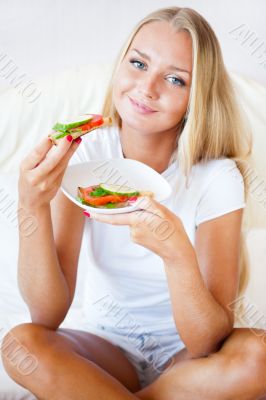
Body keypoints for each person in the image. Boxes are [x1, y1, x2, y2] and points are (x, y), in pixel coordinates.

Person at [2, 6, 266, 400]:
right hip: (105, 350)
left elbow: (206, 343)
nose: (147, 88)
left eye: (175, 79)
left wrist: (178, 255)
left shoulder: (217, 177)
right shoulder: (85, 153)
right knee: (20, 346)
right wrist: (31, 206)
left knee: (259, 354)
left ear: (198, 97)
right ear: (120, 64)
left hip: (185, 359)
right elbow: (47, 315)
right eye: (139, 63)